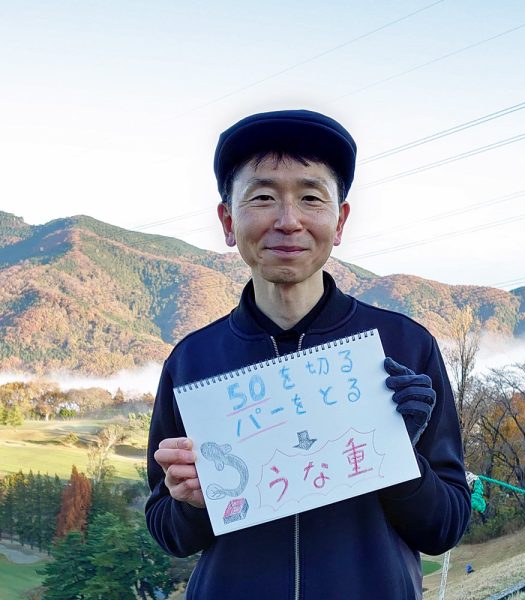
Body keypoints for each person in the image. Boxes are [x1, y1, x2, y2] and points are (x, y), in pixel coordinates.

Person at [145, 109, 471, 600]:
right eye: (263, 197)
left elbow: (445, 527)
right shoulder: (192, 362)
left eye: (311, 197)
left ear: (339, 221)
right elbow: (169, 532)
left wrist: (395, 454)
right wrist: (192, 502)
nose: (288, 220)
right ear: (228, 221)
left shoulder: (404, 347)